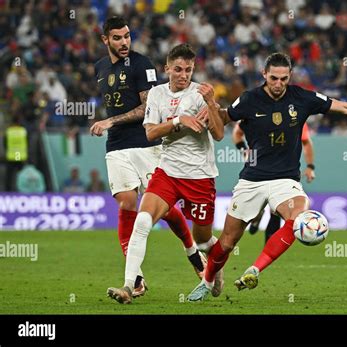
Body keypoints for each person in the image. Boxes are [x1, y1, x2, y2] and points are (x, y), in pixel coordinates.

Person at [187, 52, 347, 301]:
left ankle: (255, 269)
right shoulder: (249, 99)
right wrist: (210, 110)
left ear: (290, 76)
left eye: (284, 79)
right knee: (228, 242)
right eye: (273, 78)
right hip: (252, 179)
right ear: (264, 75)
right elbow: (223, 119)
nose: (278, 84)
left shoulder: (302, 98)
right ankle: (208, 280)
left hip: (286, 180)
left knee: (299, 216)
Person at [91, 17, 205, 299]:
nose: (124, 42)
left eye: (127, 36)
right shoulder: (100, 68)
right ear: (106, 40)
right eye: (117, 38)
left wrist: (110, 122)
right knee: (127, 202)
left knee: (163, 209)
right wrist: (111, 126)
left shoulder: (142, 65)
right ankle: (136, 280)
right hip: (116, 147)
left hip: (146, 145)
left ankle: (193, 254)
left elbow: (145, 109)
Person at [106, 43, 225, 304]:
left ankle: (216, 267)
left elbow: (218, 134)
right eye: (179, 69)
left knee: (203, 239)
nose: (184, 75)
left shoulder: (200, 94)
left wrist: (211, 104)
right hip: (168, 172)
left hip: (200, 176)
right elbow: (149, 133)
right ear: (167, 68)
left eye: (189, 70)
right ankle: (128, 286)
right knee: (142, 222)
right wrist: (178, 121)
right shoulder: (157, 94)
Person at [234, 122, 316, 241]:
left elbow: (306, 141)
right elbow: (237, 132)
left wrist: (310, 166)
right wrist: (244, 151)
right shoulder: (253, 109)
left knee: (276, 211)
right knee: (253, 209)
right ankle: (257, 216)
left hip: (282, 173)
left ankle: (269, 251)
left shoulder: (296, 115)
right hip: (256, 172)